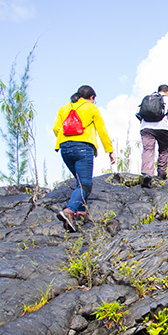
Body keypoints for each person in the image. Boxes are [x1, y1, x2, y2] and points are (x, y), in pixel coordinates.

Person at [53, 85, 115, 233]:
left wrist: (66, 140)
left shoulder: (64, 108)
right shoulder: (91, 108)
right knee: (85, 184)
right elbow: (102, 130)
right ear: (92, 98)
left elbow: (56, 128)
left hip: (65, 148)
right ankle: (69, 211)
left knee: (80, 182)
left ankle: (80, 213)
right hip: (83, 148)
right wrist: (110, 150)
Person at [139, 84, 168, 185]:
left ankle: (147, 173)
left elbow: (138, 113)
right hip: (162, 128)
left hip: (146, 128)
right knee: (164, 149)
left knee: (148, 149)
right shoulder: (167, 99)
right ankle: (162, 174)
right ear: (167, 92)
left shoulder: (148, 98)